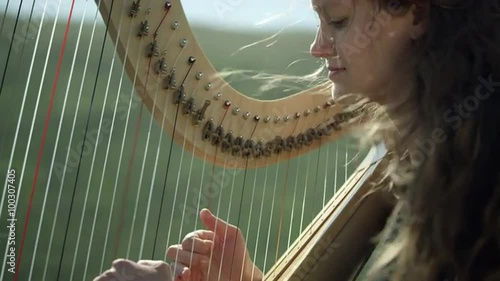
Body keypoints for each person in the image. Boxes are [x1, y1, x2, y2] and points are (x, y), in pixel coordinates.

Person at [94, 0, 500, 280]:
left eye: (338, 20)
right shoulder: (433, 154)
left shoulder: (471, 195)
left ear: (416, 12)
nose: (317, 46)